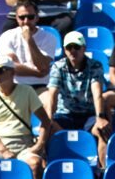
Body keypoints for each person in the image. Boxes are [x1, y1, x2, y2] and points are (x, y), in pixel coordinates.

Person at [0, 56, 51, 179]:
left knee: (35, 164)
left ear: (12, 72)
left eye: (1, 70)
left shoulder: (27, 91)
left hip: (23, 143)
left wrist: (39, 145)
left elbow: (46, 121)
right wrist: (4, 150)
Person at [43, 30, 111, 166]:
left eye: (77, 47)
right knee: (46, 130)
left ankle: (103, 172)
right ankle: (48, 170)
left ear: (84, 48)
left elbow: (97, 93)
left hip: (88, 115)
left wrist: (100, 117)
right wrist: (49, 118)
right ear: (64, 50)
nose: (73, 51)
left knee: (103, 130)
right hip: (65, 114)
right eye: (69, 47)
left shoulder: (95, 65)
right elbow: (52, 94)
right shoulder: (58, 67)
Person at [0, 0, 58, 92]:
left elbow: (43, 66)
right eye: (22, 17)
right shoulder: (7, 36)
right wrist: (37, 73)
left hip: (41, 85)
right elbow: (9, 66)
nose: (26, 21)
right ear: (16, 18)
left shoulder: (49, 37)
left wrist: (29, 40)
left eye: (30, 17)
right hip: (15, 86)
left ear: (37, 17)